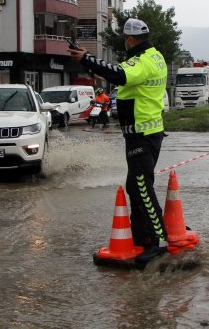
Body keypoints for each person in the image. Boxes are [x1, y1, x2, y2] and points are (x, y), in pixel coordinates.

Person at [68, 18, 169, 264]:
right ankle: (141, 236)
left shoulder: (141, 61)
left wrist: (86, 59)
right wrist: (90, 61)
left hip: (141, 133)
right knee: (135, 187)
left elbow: (119, 75)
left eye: (125, 39)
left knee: (142, 188)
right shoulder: (156, 56)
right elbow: (120, 73)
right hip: (148, 131)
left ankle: (158, 240)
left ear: (131, 39)